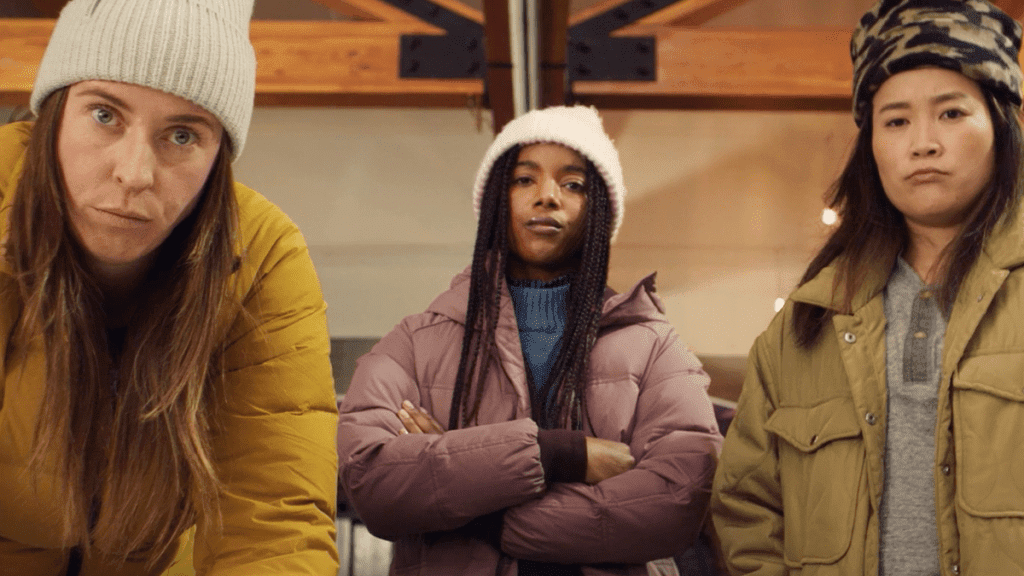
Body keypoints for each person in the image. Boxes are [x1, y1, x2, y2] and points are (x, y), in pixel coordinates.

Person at [0, 0, 339, 574]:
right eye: (104, 115)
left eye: (182, 135)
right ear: (53, 113)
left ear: (218, 155)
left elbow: (273, 528)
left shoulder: (262, 258)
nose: (134, 173)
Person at [336, 105, 722, 576]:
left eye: (573, 184)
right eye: (524, 179)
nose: (547, 197)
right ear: (497, 200)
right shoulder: (415, 343)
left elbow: (677, 502)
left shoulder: (656, 347)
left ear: (599, 211)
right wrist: (560, 455)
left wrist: (471, 496)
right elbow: (371, 481)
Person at [711, 0, 1024, 573]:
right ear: (871, 144)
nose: (923, 142)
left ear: (1001, 126)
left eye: (952, 113)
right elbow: (746, 509)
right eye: (896, 121)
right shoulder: (806, 324)